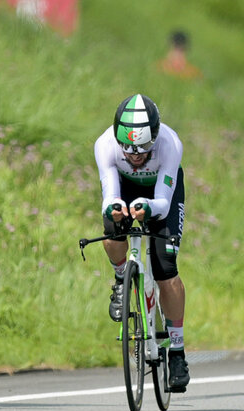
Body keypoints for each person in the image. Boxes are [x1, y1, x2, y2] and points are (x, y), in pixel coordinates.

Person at [93, 93, 190, 391]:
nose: (135, 157)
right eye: (129, 151)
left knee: (165, 268)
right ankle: (122, 279)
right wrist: (113, 208)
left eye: (143, 150)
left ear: (156, 138)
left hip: (161, 195)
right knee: (112, 228)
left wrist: (149, 208)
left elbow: (162, 199)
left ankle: (176, 352)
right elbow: (109, 193)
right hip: (125, 188)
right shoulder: (105, 145)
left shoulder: (170, 144)